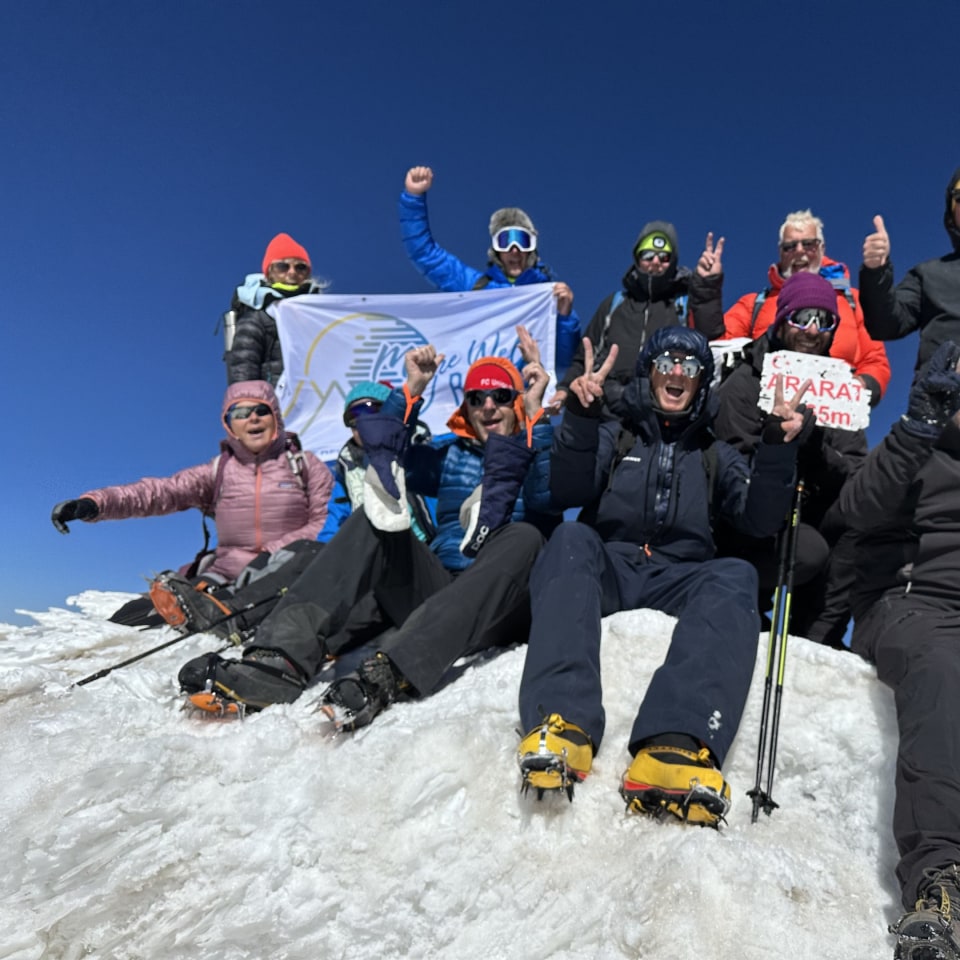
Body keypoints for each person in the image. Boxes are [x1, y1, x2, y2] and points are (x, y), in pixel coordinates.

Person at [177, 333, 558, 723]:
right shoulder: (450, 455)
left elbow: (551, 497)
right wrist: (411, 389)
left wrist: (537, 418)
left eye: (501, 396)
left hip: (506, 605)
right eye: (477, 398)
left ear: (518, 401)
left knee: (524, 535)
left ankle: (393, 671)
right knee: (377, 518)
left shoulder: (540, 445)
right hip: (443, 590)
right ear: (467, 407)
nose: (489, 406)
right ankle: (279, 660)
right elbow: (385, 445)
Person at [515, 326, 809, 826]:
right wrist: (583, 422)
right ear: (649, 373)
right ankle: (560, 722)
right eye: (666, 363)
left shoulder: (718, 454)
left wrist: (778, 451)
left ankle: (676, 744)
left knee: (735, 574)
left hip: (679, 576)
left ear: (701, 383)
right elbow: (566, 489)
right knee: (569, 538)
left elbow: (759, 521)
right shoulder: (618, 432)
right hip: (612, 566)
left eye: (690, 367)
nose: (677, 374)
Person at [838, 341, 960, 959]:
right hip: (911, 605)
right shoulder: (918, 445)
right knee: (942, 675)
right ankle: (940, 882)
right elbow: (856, 508)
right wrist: (919, 423)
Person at [50, 380, 334, 632]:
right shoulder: (217, 471)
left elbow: (325, 521)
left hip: (285, 571)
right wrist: (96, 503)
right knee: (134, 620)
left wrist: (271, 556)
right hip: (223, 575)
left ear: (276, 418)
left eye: (261, 410)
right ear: (228, 423)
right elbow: (161, 492)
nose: (253, 419)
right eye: (240, 413)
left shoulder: (306, 466)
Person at [714, 272, 868, 647]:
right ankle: (741, 608)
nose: (812, 331)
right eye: (802, 318)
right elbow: (729, 459)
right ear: (782, 321)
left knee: (861, 514)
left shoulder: (840, 389)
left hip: (809, 513)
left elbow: (854, 470)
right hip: (745, 522)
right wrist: (776, 444)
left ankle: (817, 635)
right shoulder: (747, 379)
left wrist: (813, 446)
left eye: (823, 320)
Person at [398, 165, 580, 375]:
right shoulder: (474, 287)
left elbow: (564, 363)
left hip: (524, 398)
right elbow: (426, 255)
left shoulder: (548, 299)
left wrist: (564, 316)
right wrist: (414, 197)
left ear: (532, 249)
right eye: (505, 241)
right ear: (496, 251)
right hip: (480, 394)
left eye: (522, 241)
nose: (515, 250)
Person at [720, 209, 891, 406]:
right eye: (790, 246)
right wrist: (706, 289)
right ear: (780, 253)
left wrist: (862, 386)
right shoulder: (754, 304)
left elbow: (875, 360)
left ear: (822, 248)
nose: (799, 250)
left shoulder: (855, 301)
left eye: (809, 244)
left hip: (833, 415)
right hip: (762, 415)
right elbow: (717, 345)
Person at [554, 221, 725, 416]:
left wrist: (707, 285)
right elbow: (583, 357)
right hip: (608, 407)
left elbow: (710, 334)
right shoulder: (614, 304)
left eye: (664, 257)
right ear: (637, 259)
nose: (655, 262)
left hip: (662, 409)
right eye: (647, 255)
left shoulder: (684, 303)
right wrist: (565, 389)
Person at [859, 166, 960, 374]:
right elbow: (886, 324)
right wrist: (877, 271)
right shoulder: (929, 274)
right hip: (940, 399)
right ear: (952, 213)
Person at [317, 380, 436, 543]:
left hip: (427, 549)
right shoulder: (345, 471)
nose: (364, 423)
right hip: (373, 555)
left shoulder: (422, 452)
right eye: (354, 416)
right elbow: (333, 527)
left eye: (372, 411)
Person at [224, 233, 327, 385]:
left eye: (300, 267)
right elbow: (243, 364)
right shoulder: (258, 319)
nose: (292, 272)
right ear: (270, 272)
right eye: (282, 266)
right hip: (272, 404)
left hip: (318, 401)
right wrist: (247, 402)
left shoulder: (322, 317)